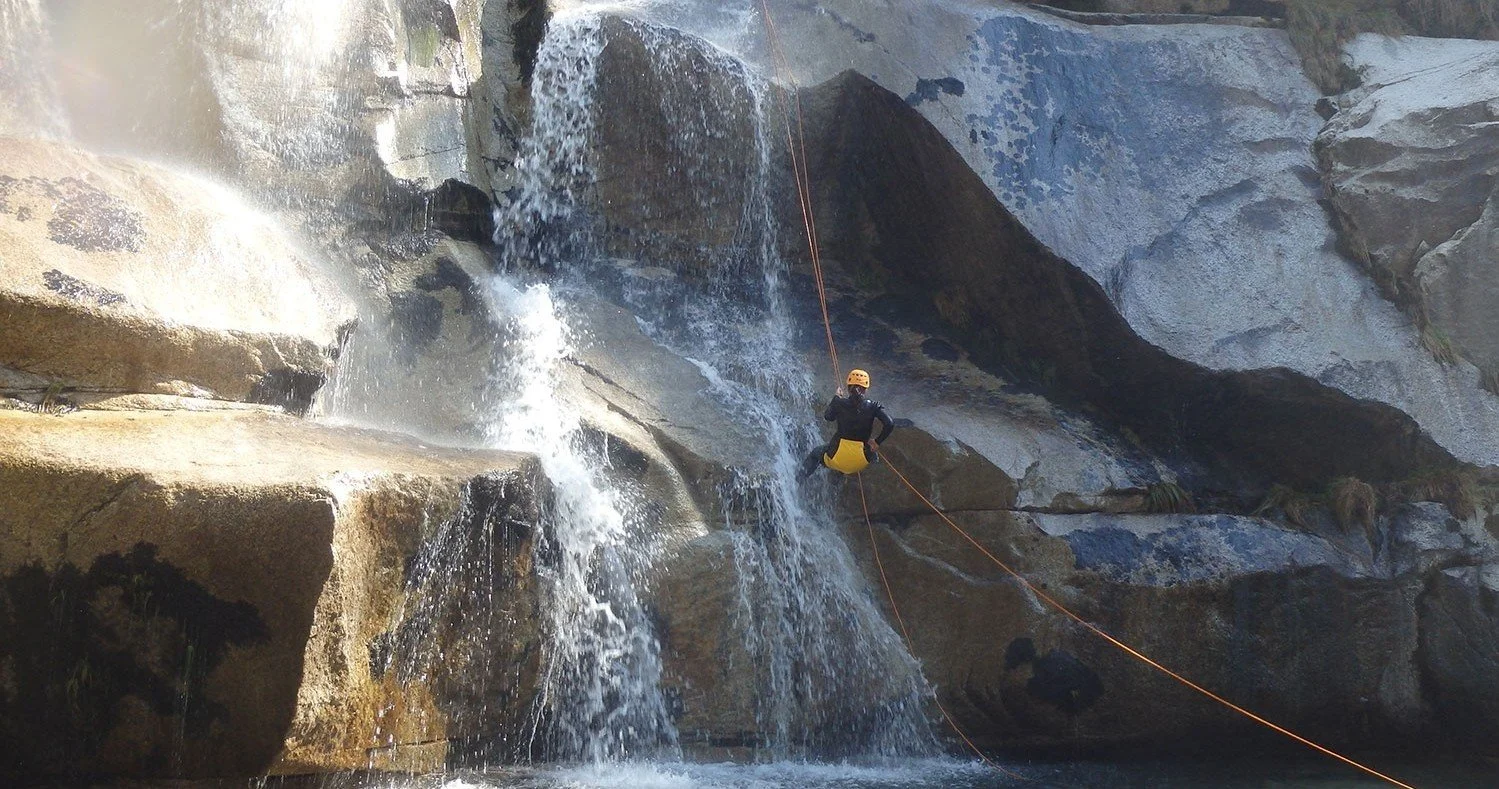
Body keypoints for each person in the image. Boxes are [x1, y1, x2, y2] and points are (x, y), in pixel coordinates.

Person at [798, 369, 894, 479]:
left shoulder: (840, 402)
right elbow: (889, 424)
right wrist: (877, 442)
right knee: (867, 456)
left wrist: (836, 398)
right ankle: (835, 479)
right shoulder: (873, 406)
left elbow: (828, 417)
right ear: (865, 389)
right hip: (861, 460)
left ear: (849, 388)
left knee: (816, 454)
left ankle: (798, 481)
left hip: (836, 456)